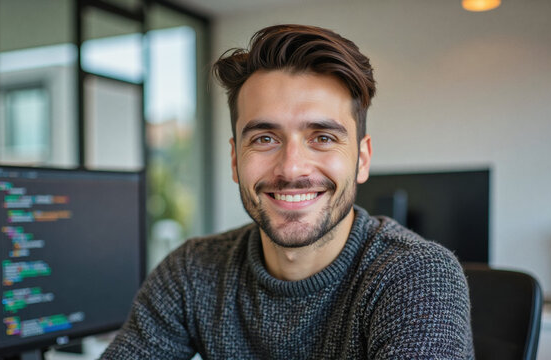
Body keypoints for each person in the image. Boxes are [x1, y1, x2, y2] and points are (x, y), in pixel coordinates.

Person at [101, 24, 474, 359]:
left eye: (323, 137)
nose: (292, 168)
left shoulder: (416, 275)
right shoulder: (192, 272)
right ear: (235, 159)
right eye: (264, 138)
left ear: (362, 159)